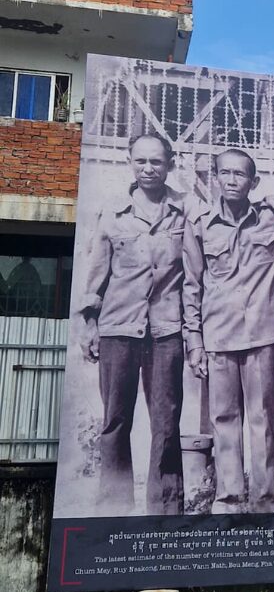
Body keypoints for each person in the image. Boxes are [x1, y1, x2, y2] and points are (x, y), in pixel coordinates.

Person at [182, 148, 274, 514]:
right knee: (225, 420)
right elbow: (191, 285)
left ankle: (264, 502)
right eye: (225, 173)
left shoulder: (271, 217)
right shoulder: (200, 225)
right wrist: (194, 341)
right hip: (219, 335)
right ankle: (229, 500)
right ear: (215, 177)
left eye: (240, 174)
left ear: (254, 181)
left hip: (263, 334)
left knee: (262, 419)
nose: (232, 180)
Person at [80, 133, 185, 516]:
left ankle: (166, 514)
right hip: (118, 330)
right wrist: (88, 325)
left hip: (166, 331)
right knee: (115, 422)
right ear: (129, 161)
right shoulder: (111, 212)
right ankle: (114, 508)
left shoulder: (186, 211)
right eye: (140, 161)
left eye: (156, 161)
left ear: (170, 163)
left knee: (166, 423)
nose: (148, 169)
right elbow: (95, 278)